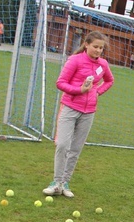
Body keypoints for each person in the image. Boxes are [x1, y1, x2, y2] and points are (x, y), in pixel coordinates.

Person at [43, 31, 114, 198]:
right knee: (62, 144)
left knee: (75, 149)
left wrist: (97, 92)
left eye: (101, 48)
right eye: (95, 47)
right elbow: (60, 83)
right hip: (70, 107)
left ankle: (65, 182)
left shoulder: (103, 64)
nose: (98, 50)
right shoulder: (75, 60)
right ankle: (56, 182)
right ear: (86, 44)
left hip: (89, 112)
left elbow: (110, 80)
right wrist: (79, 90)